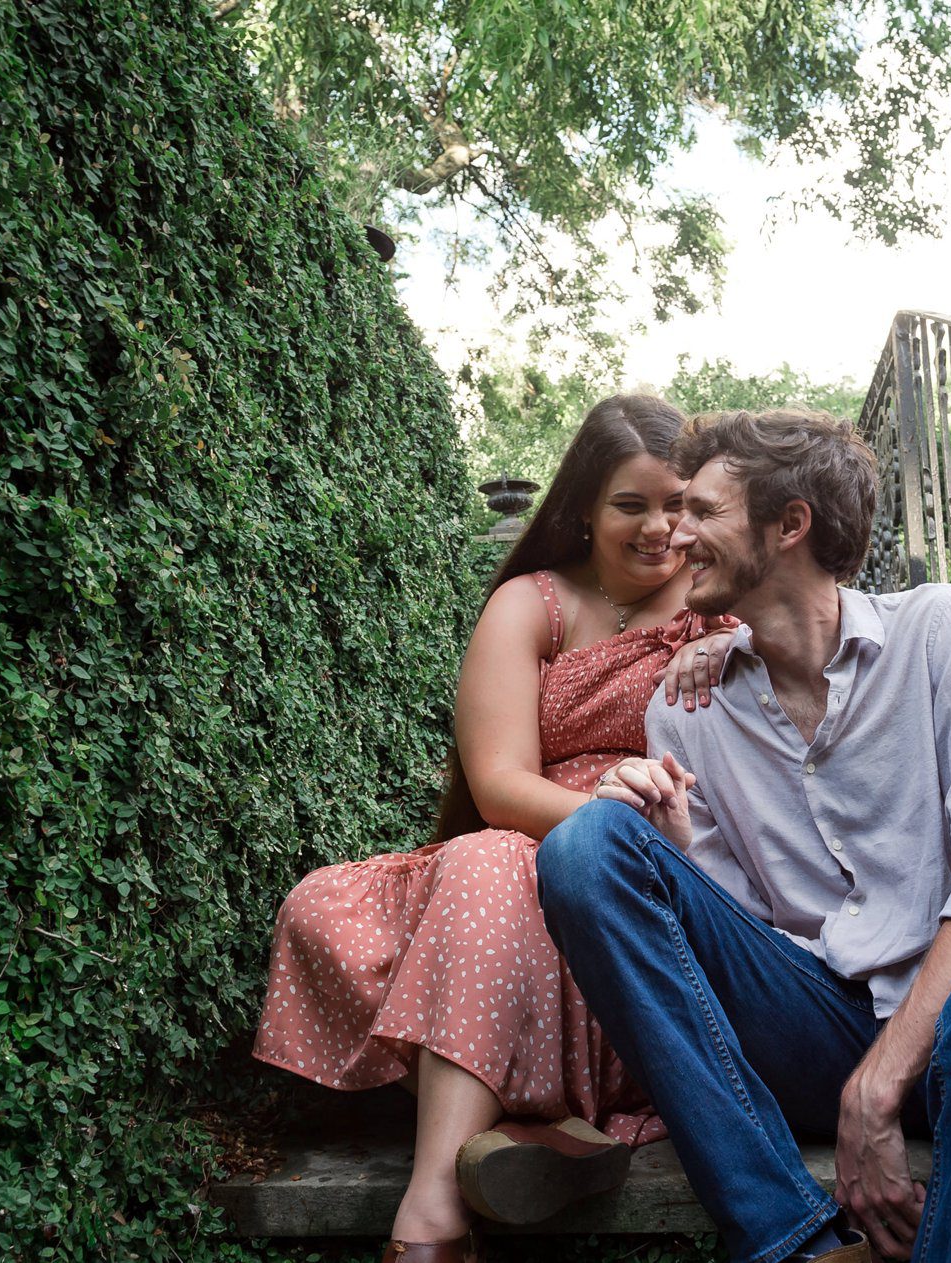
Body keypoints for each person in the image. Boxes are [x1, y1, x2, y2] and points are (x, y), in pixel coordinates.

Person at [537, 409, 951, 1263]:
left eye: (703, 511)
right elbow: (741, 942)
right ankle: (795, 1241)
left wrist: (877, 1087)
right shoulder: (686, 707)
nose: (675, 535)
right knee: (588, 843)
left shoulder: (937, 629)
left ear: (789, 523)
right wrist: (673, 845)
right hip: (808, 1019)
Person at [252, 395, 735, 1263]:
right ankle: (519, 1119)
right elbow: (501, 782)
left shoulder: (722, 604)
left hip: (649, 877)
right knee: (322, 909)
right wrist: (598, 820)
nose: (659, 528)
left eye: (678, 504)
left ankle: (432, 1210)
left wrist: (727, 643)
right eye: (632, 504)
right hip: (529, 849)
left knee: (488, 867)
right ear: (584, 507)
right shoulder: (534, 601)